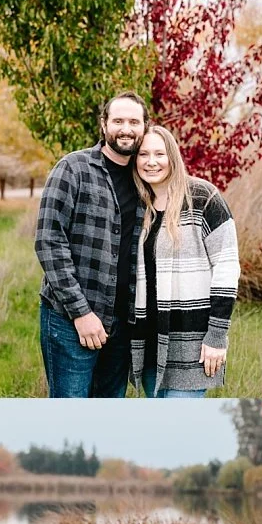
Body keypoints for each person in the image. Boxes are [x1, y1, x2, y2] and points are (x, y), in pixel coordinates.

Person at [36, 93, 149, 398]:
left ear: (144, 127)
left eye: (134, 122)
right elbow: (48, 241)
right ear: (104, 124)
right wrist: (81, 313)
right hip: (71, 320)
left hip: (123, 324)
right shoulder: (73, 169)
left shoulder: (146, 179)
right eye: (119, 121)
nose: (126, 129)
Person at [130, 125, 239, 397]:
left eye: (159, 153)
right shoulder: (137, 206)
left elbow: (227, 268)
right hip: (149, 343)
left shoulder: (203, 198)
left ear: (173, 157)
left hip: (190, 343)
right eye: (143, 154)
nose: (151, 162)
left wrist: (216, 336)